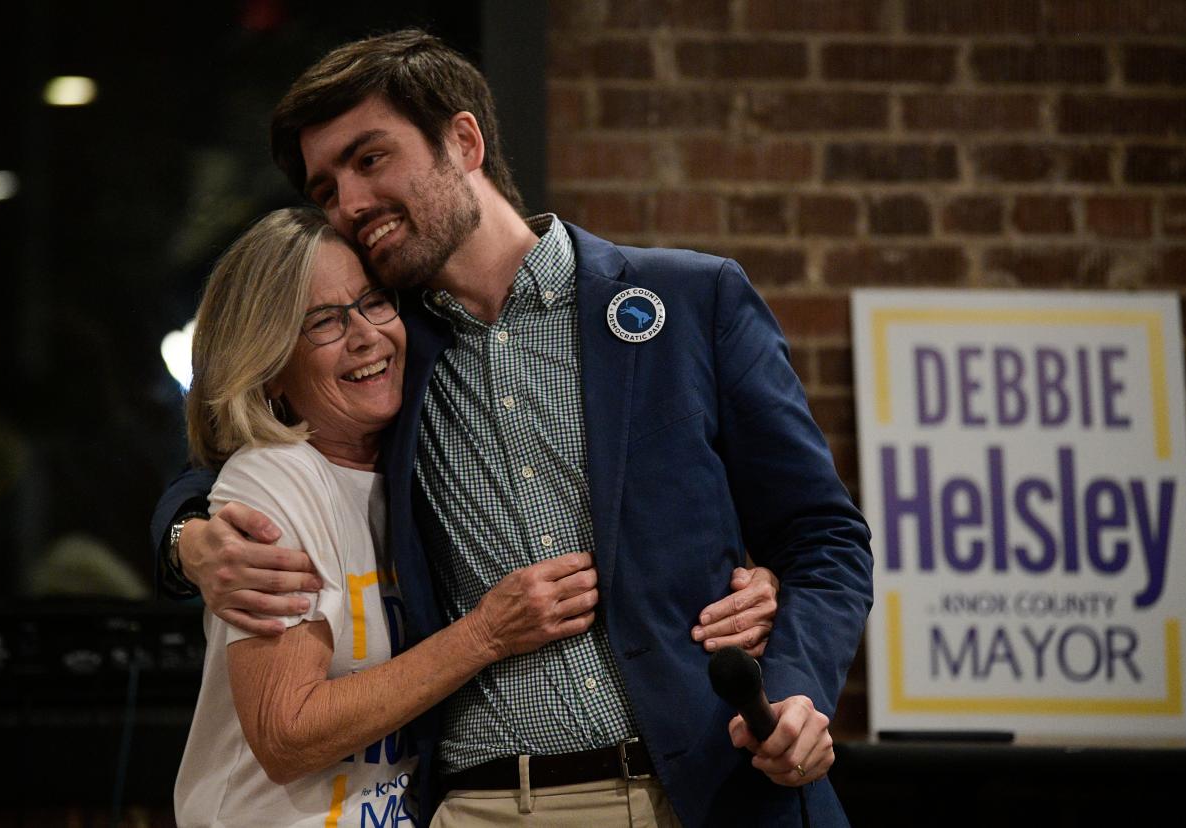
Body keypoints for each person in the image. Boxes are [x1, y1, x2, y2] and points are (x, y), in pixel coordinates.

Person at [154, 29, 873, 827]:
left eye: (369, 159)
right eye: (325, 190)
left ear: (464, 140)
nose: (349, 204)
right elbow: (241, 453)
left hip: (718, 791)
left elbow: (823, 538)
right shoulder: (388, 353)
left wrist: (800, 685)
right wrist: (187, 537)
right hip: (489, 805)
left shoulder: (690, 301)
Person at [173, 205, 612, 825]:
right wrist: (485, 635)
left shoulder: (408, 466)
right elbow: (287, 734)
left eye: (375, 302)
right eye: (324, 321)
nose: (365, 336)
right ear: (269, 368)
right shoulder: (274, 482)